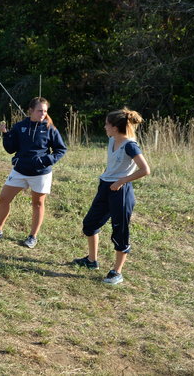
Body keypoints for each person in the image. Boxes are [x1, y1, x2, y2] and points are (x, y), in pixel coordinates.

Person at [73, 108, 150, 285]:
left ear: (115, 127)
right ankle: (91, 261)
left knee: (120, 231)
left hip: (121, 191)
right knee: (90, 224)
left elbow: (145, 170)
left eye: (107, 124)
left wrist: (121, 181)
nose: (104, 127)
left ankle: (117, 272)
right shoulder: (112, 140)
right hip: (105, 187)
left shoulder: (130, 145)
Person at [0, 97, 67, 248]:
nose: (42, 114)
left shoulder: (50, 128)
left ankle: (32, 237)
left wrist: (45, 161)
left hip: (41, 173)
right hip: (20, 171)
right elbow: (10, 149)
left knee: (38, 203)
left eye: (45, 111)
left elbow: (60, 150)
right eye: (39, 111)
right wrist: (5, 134)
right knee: (4, 198)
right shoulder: (20, 126)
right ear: (31, 111)